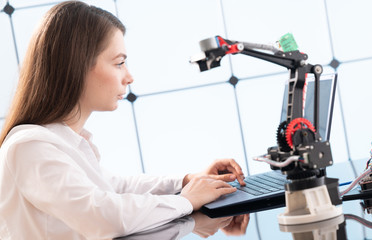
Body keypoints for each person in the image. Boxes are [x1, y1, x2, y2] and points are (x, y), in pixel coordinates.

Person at [0, 1, 246, 239]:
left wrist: (186, 181)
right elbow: (104, 216)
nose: (129, 77)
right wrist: (186, 200)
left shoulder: (62, 140)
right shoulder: (30, 146)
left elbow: (113, 186)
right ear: (76, 66)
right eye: (119, 63)